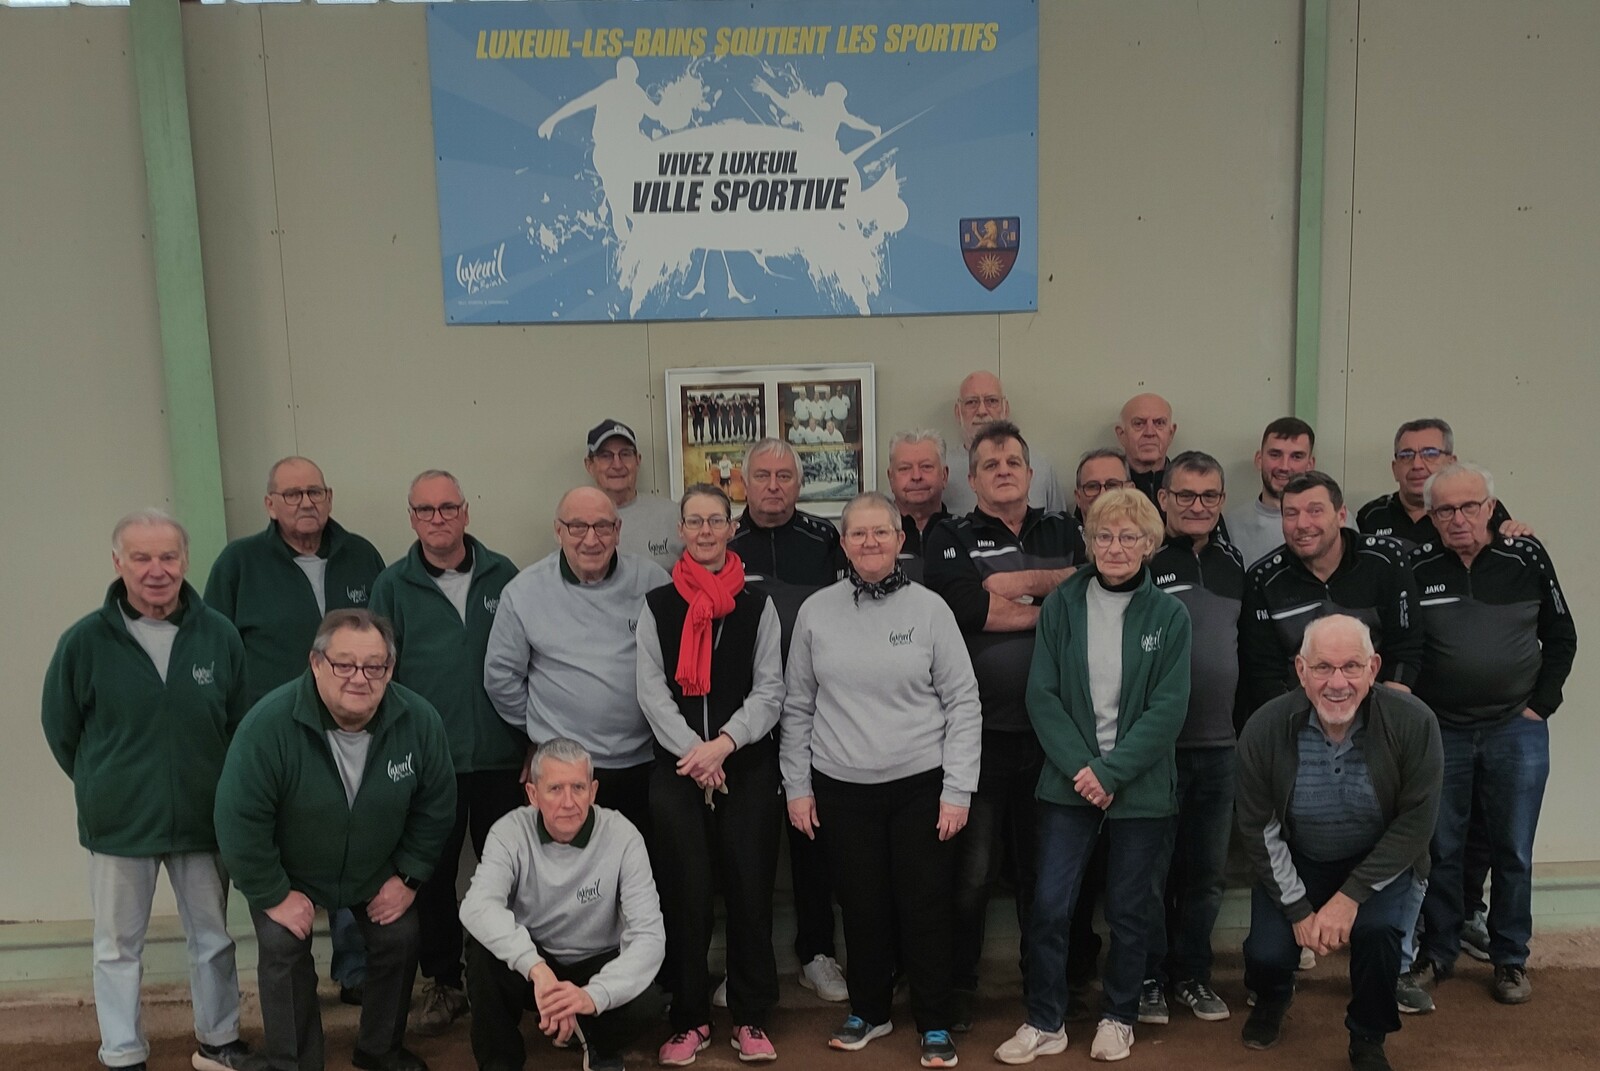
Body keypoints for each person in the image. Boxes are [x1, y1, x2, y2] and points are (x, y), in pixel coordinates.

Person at [42, 510, 261, 1071]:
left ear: (185, 561)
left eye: (167, 556)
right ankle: (123, 1052)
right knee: (117, 947)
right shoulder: (84, 642)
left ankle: (219, 1041)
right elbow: (62, 730)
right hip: (119, 825)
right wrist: (105, 784)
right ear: (118, 563)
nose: (156, 570)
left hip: (204, 819)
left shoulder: (219, 634)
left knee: (213, 938)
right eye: (141, 557)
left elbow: (239, 725)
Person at [783, 492, 982, 1068]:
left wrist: (958, 789)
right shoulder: (816, 612)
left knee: (925, 907)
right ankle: (869, 1011)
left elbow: (963, 701)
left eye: (880, 532)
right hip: (841, 787)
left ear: (899, 540)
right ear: (843, 544)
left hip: (922, 785)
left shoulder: (930, 609)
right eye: (858, 533)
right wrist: (798, 787)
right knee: (861, 906)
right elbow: (797, 706)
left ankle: (934, 1020)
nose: (869, 542)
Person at [996, 488, 1191, 1065]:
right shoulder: (1063, 605)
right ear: (1089, 542)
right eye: (1104, 536)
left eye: (1129, 536)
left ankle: (1118, 1016)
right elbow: (1042, 696)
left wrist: (1110, 772)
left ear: (1149, 544)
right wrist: (1084, 770)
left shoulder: (1170, 615)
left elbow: (1168, 710)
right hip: (1069, 782)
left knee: (1131, 909)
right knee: (1050, 905)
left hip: (1140, 786)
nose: (1115, 547)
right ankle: (1045, 1020)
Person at [216, 609, 456, 1071]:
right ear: (316, 663)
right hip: (291, 873)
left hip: (374, 868)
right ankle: (294, 1062)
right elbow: (238, 819)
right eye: (344, 664)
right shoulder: (267, 726)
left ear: (390, 669)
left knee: (401, 935)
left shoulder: (420, 721)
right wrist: (273, 893)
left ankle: (380, 1051)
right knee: (282, 945)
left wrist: (408, 877)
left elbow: (437, 806)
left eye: (374, 666)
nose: (359, 678)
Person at [206, 456, 387, 1002]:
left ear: (329, 498)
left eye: (315, 492)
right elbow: (216, 650)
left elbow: (383, 640)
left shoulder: (362, 556)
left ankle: (355, 971)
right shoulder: (239, 564)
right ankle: (294, 980)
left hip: (355, 732)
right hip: (278, 741)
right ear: (269, 504)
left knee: (354, 846)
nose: (306, 503)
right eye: (292, 494)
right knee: (288, 853)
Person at [922, 421, 1083, 1029]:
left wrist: (1014, 586)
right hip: (978, 738)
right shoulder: (949, 534)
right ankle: (960, 988)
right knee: (972, 876)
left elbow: (1095, 589)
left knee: (1046, 877)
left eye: (1014, 461)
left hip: (1056, 737)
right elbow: (968, 607)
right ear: (972, 479)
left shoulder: (1065, 529)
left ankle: (1046, 988)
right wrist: (1056, 605)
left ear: (1031, 471)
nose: (1004, 471)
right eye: (991, 465)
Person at [1235, 615, 1443, 1071]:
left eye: (1351, 666)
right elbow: (1257, 827)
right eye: (1323, 667)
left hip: (1378, 859)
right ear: (1301, 670)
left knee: (1380, 934)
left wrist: (1351, 897)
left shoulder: (1414, 722)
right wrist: (1297, 909)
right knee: (1268, 952)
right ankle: (1272, 997)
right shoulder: (1265, 727)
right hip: (1298, 858)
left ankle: (1368, 1035)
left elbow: (1415, 823)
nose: (1337, 683)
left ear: (1373, 668)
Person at [1409, 463, 1576, 1006]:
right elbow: (1403, 644)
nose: (1458, 518)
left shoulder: (1526, 557)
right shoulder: (1416, 566)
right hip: (1443, 731)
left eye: (1469, 506)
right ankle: (1438, 952)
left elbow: (1562, 634)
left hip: (1515, 729)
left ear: (1490, 508)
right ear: (1431, 515)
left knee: (1513, 849)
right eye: (1445, 510)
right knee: (1441, 848)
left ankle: (1510, 958)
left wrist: (1541, 706)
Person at [368, 471, 525, 1037]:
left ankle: (512, 978)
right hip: (430, 762)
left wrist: (533, 741)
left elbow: (530, 658)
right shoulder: (392, 585)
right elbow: (379, 672)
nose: (438, 518)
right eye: (426, 510)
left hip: (504, 756)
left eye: (448, 507)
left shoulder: (504, 574)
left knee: (511, 872)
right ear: (412, 518)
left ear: (465, 512)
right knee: (432, 875)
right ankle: (444, 982)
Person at [636, 484, 785, 1064]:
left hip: (744, 767)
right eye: (694, 521)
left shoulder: (758, 606)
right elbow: (651, 693)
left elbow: (770, 690)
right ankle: (690, 1018)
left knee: (751, 894)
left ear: (731, 528)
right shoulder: (657, 605)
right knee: (686, 897)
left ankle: (751, 1017)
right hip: (678, 771)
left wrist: (723, 745)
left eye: (715, 520)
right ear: (681, 530)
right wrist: (695, 755)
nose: (704, 531)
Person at [460, 739, 667, 1071]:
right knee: (482, 951)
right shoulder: (509, 832)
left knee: (648, 1003)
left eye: (578, 788)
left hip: (597, 962)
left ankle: (592, 1037)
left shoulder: (623, 836)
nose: (568, 802)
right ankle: (500, 1063)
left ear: (593, 791)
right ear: (533, 794)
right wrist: (537, 969)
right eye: (555, 789)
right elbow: (476, 906)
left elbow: (649, 936)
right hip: (536, 966)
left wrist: (592, 995)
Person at [728, 438, 849, 1002]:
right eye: (762, 476)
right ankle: (743, 963)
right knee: (746, 845)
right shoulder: (725, 543)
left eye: (784, 476)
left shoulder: (826, 540)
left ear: (799, 485)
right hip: (744, 716)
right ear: (744, 483)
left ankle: (816, 954)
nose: (773, 486)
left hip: (818, 711)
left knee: (812, 836)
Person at [484, 487, 670, 836]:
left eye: (602, 527)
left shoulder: (653, 582)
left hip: (646, 764)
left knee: (643, 865)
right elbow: (500, 678)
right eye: (577, 527)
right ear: (558, 531)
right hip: (565, 772)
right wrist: (543, 729)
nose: (591, 539)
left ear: (618, 530)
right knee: (569, 866)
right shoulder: (524, 592)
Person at [1140, 452, 1245, 1026]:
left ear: (1222, 501)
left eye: (1209, 496)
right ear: (1163, 499)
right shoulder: (1143, 561)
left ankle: (1193, 977)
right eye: (1185, 495)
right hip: (1157, 751)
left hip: (1221, 748)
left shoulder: (1234, 564)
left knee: (1206, 876)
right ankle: (1149, 978)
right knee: (1151, 875)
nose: (1197, 506)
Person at [1241, 472, 1422, 712]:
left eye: (1315, 511)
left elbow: (1406, 647)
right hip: (1298, 716)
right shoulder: (1263, 578)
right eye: (1291, 514)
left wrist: (1388, 715)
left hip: (1376, 710)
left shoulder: (1386, 560)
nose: (1302, 524)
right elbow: (1265, 673)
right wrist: (1295, 724)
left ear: (1341, 515)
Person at [1356, 420, 1521, 547]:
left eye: (1430, 454)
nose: (1417, 465)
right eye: (1406, 455)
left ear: (1451, 463)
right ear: (1394, 468)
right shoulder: (1372, 515)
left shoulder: (1480, 508)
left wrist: (1518, 532)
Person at [943, 371, 1065, 515]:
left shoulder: (1041, 467)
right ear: (958, 412)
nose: (981, 411)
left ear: (1005, 409)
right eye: (971, 402)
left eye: (991, 401)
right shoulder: (943, 471)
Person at [585, 419, 684, 572]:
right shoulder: (575, 523)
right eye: (606, 456)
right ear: (589, 465)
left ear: (637, 460)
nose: (617, 465)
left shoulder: (672, 514)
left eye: (625, 454)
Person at [1226, 418, 1319, 567]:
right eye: (1275, 455)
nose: (1284, 467)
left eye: (1296, 457)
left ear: (1310, 464)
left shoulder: (1335, 521)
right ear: (1259, 459)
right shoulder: (1232, 525)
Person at [885, 429, 951, 577]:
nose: (916, 476)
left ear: (944, 475)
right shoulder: (873, 539)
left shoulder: (966, 535)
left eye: (926, 467)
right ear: (890, 478)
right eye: (905, 468)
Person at [1112, 394, 1178, 507]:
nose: (1149, 433)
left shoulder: (1190, 485)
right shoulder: (1105, 488)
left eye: (1159, 423)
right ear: (1121, 434)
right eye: (1139, 424)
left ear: (1171, 434)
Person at [1071, 449, 1130, 529]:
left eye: (1112, 485)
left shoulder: (1146, 535)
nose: (1102, 494)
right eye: (1092, 486)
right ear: (1078, 497)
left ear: (1131, 491)